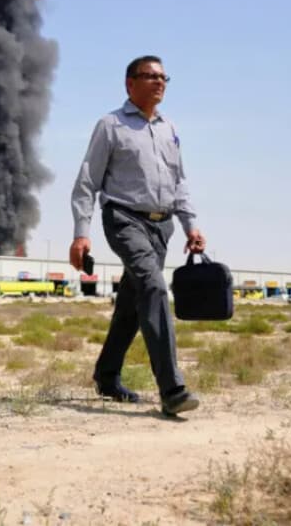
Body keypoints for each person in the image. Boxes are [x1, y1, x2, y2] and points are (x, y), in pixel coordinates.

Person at [69, 55, 207, 417]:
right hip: (124, 219)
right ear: (130, 83)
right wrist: (81, 233)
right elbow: (87, 181)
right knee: (154, 287)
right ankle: (172, 390)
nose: (159, 82)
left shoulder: (169, 128)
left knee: (132, 304)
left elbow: (179, 182)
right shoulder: (111, 125)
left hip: (162, 226)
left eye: (163, 77)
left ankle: (107, 375)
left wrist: (190, 225)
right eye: (150, 76)